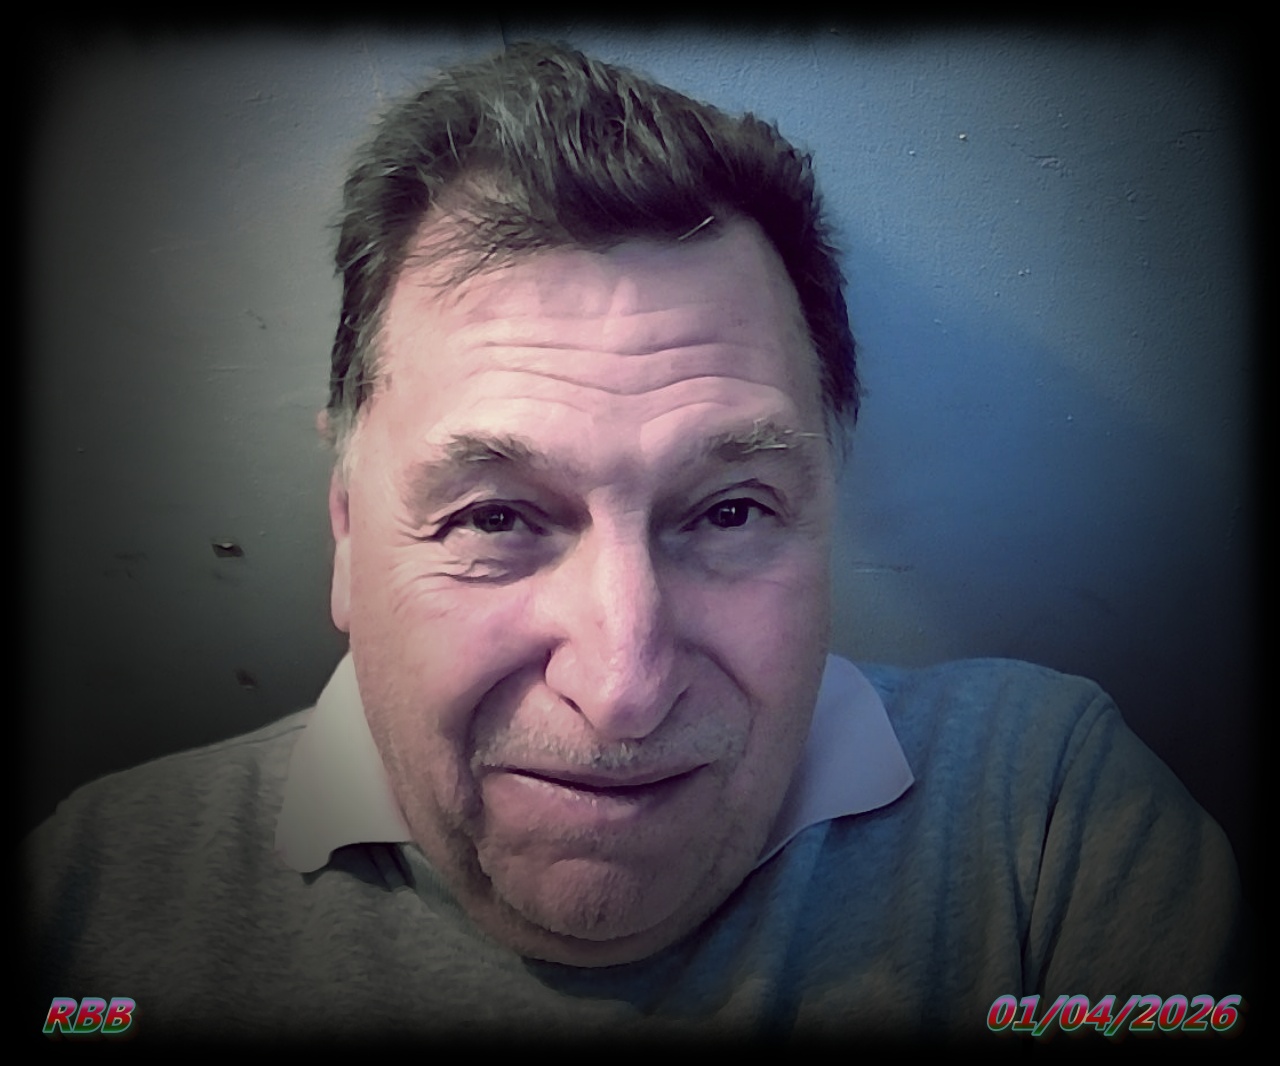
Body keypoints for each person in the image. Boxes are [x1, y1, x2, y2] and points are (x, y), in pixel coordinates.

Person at [26, 42, 1242, 1044]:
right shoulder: (91, 899)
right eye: (494, 515)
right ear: (346, 532)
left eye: (728, 510)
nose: (622, 688)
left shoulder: (1047, 830)